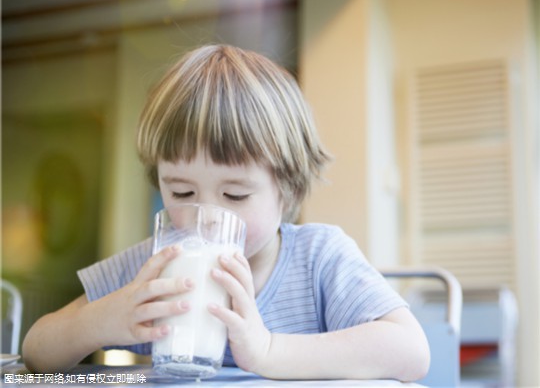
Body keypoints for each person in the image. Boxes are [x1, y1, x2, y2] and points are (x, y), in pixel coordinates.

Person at [23, 44, 430, 380]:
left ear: (287, 190)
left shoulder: (318, 259)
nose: (208, 214)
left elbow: (410, 350)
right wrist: (100, 321)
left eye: (235, 195)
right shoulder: (155, 268)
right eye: (182, 191)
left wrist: (270, 350)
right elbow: (37, 352)